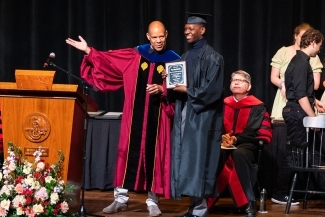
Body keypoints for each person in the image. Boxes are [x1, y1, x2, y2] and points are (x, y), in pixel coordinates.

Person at [66, 21, 180, 216]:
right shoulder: (136, 54)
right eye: (155, 37)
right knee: (126, 153)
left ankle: (153, 201)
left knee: (155, 157)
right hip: (133, 117)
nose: (159, 40)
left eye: (161, 36)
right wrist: (88, 50)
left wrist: (163, 89)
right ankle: (120, 199)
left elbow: (180, 89)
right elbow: (109, 61)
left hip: (158, 118)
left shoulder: (175, 60)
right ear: (148, 37)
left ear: (167, 34)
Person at [168, 13, 224, 217]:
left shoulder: (213, 57)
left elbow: (213, 90)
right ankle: (193, 206)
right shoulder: (184, 57)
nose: (186, 32)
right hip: (185, 113)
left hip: (202, 118)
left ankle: (200, 209)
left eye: (191, 28)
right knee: (187, 160)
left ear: (203, 29)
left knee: (199, 160)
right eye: (185, 29)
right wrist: (169, 81)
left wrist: (187, 91)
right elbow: (177, 86)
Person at [270, 23, 323, 205]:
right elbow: (300, 95)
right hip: (298, 112)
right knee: (294, 154)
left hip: (297, 110)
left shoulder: (299, 61)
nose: (320, 49)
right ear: (314, 42)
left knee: (303, 153)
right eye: (320, 45)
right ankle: (280, 192)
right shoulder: (301, 63)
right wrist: (312, 118)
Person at [207, 70, 272, 217]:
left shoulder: (257, 106)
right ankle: (205, 200)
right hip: (222, 144)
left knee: (239, 153)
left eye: (240, 80)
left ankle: (249, 202)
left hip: (247, 144)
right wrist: (223, 138)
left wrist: (236, 140)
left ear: (248, 86)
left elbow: (254, 129)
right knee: (214, 154)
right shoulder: (222, 103)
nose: (236, 82)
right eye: (234, 80)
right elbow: (215, 125)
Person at [270, 23, 323, 120]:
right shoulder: (299, 61)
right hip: (292, 102)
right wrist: (284, 84)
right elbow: (300, 92)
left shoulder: (308, 59)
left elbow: (304, 87)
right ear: (295, 36)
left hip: (300, 103)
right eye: (303, 36)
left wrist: (314, 100)